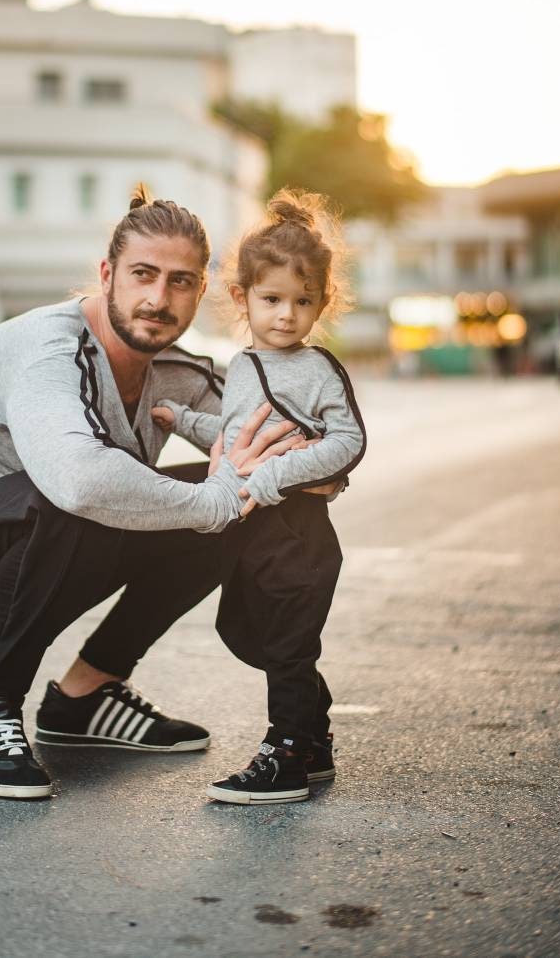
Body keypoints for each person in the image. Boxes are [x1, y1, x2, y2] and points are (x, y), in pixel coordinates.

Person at [0, 187, 325, 800]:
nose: (159, 299)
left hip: (27, 564)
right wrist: (216, 497)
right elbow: (76, 478)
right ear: (107, 274)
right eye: (143, 274)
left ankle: (85, 695)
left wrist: (302, 467)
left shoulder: (177, 371)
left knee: (244, 504)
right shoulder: (47, 348)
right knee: (83, 489)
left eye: (181, 281)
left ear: (203, 290)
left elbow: (293, 441)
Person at [152, 189, 366, 804]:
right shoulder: (245, 363)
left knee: (288, 648)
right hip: (254, 535)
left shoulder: (317, 368)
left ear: (322, 302)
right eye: (272, 300)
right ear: (242, 298)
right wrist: (184, 421)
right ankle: (312, 736)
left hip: (298, 534)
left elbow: (348, 440)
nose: (286, 315)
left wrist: (276, 477)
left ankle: (289, 753)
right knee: (245, 631)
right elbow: (235, 431)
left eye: (302, 302)